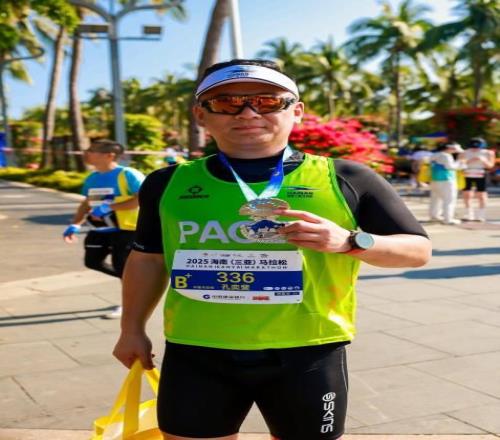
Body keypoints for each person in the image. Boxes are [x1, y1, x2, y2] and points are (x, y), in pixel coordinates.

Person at [113, 59, 431, 440]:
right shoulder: (167, 182)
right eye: (227, 102)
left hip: (308, 352)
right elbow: (148, 259)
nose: (248, 113)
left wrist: (349, 241)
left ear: (296, 111)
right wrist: (131, 328)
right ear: (201, 114)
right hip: (197, 350)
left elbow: (417, 250)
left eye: (267, 101)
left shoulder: (346, 178)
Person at [63, 139, 145, 319]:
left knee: (121, 265)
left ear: (109, 155)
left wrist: (110, 207)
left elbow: (143, 198)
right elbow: (87, 203)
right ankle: (137, 283)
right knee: (92, 261)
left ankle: (128, 304)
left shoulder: (128, 174)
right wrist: (75, 224)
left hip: (127, 230)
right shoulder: (92, 177)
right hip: (100, 229)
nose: (86, 153)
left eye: (92, 151)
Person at [459, 137, 495, 221]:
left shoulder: (488, 153)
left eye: (477, 147)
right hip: (467, 173)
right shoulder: (464, 152)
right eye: (473, 147)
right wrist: (470, 161)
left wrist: (483, 160)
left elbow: (490, 166)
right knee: (467, 194)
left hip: (481, 174)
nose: (475, 149)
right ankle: (469, 213)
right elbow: (460, 164)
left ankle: (481, 214)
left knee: (481, 195)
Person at [428, 141, 464, 225]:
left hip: (435, 179)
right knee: (449, 200)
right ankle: (448, 219)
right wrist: (460, 162)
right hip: (447, 180)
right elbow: (451, 167)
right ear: (450, 148)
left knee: (435, 199)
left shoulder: (434, 155)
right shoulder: (446, 156)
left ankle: (434, 216)